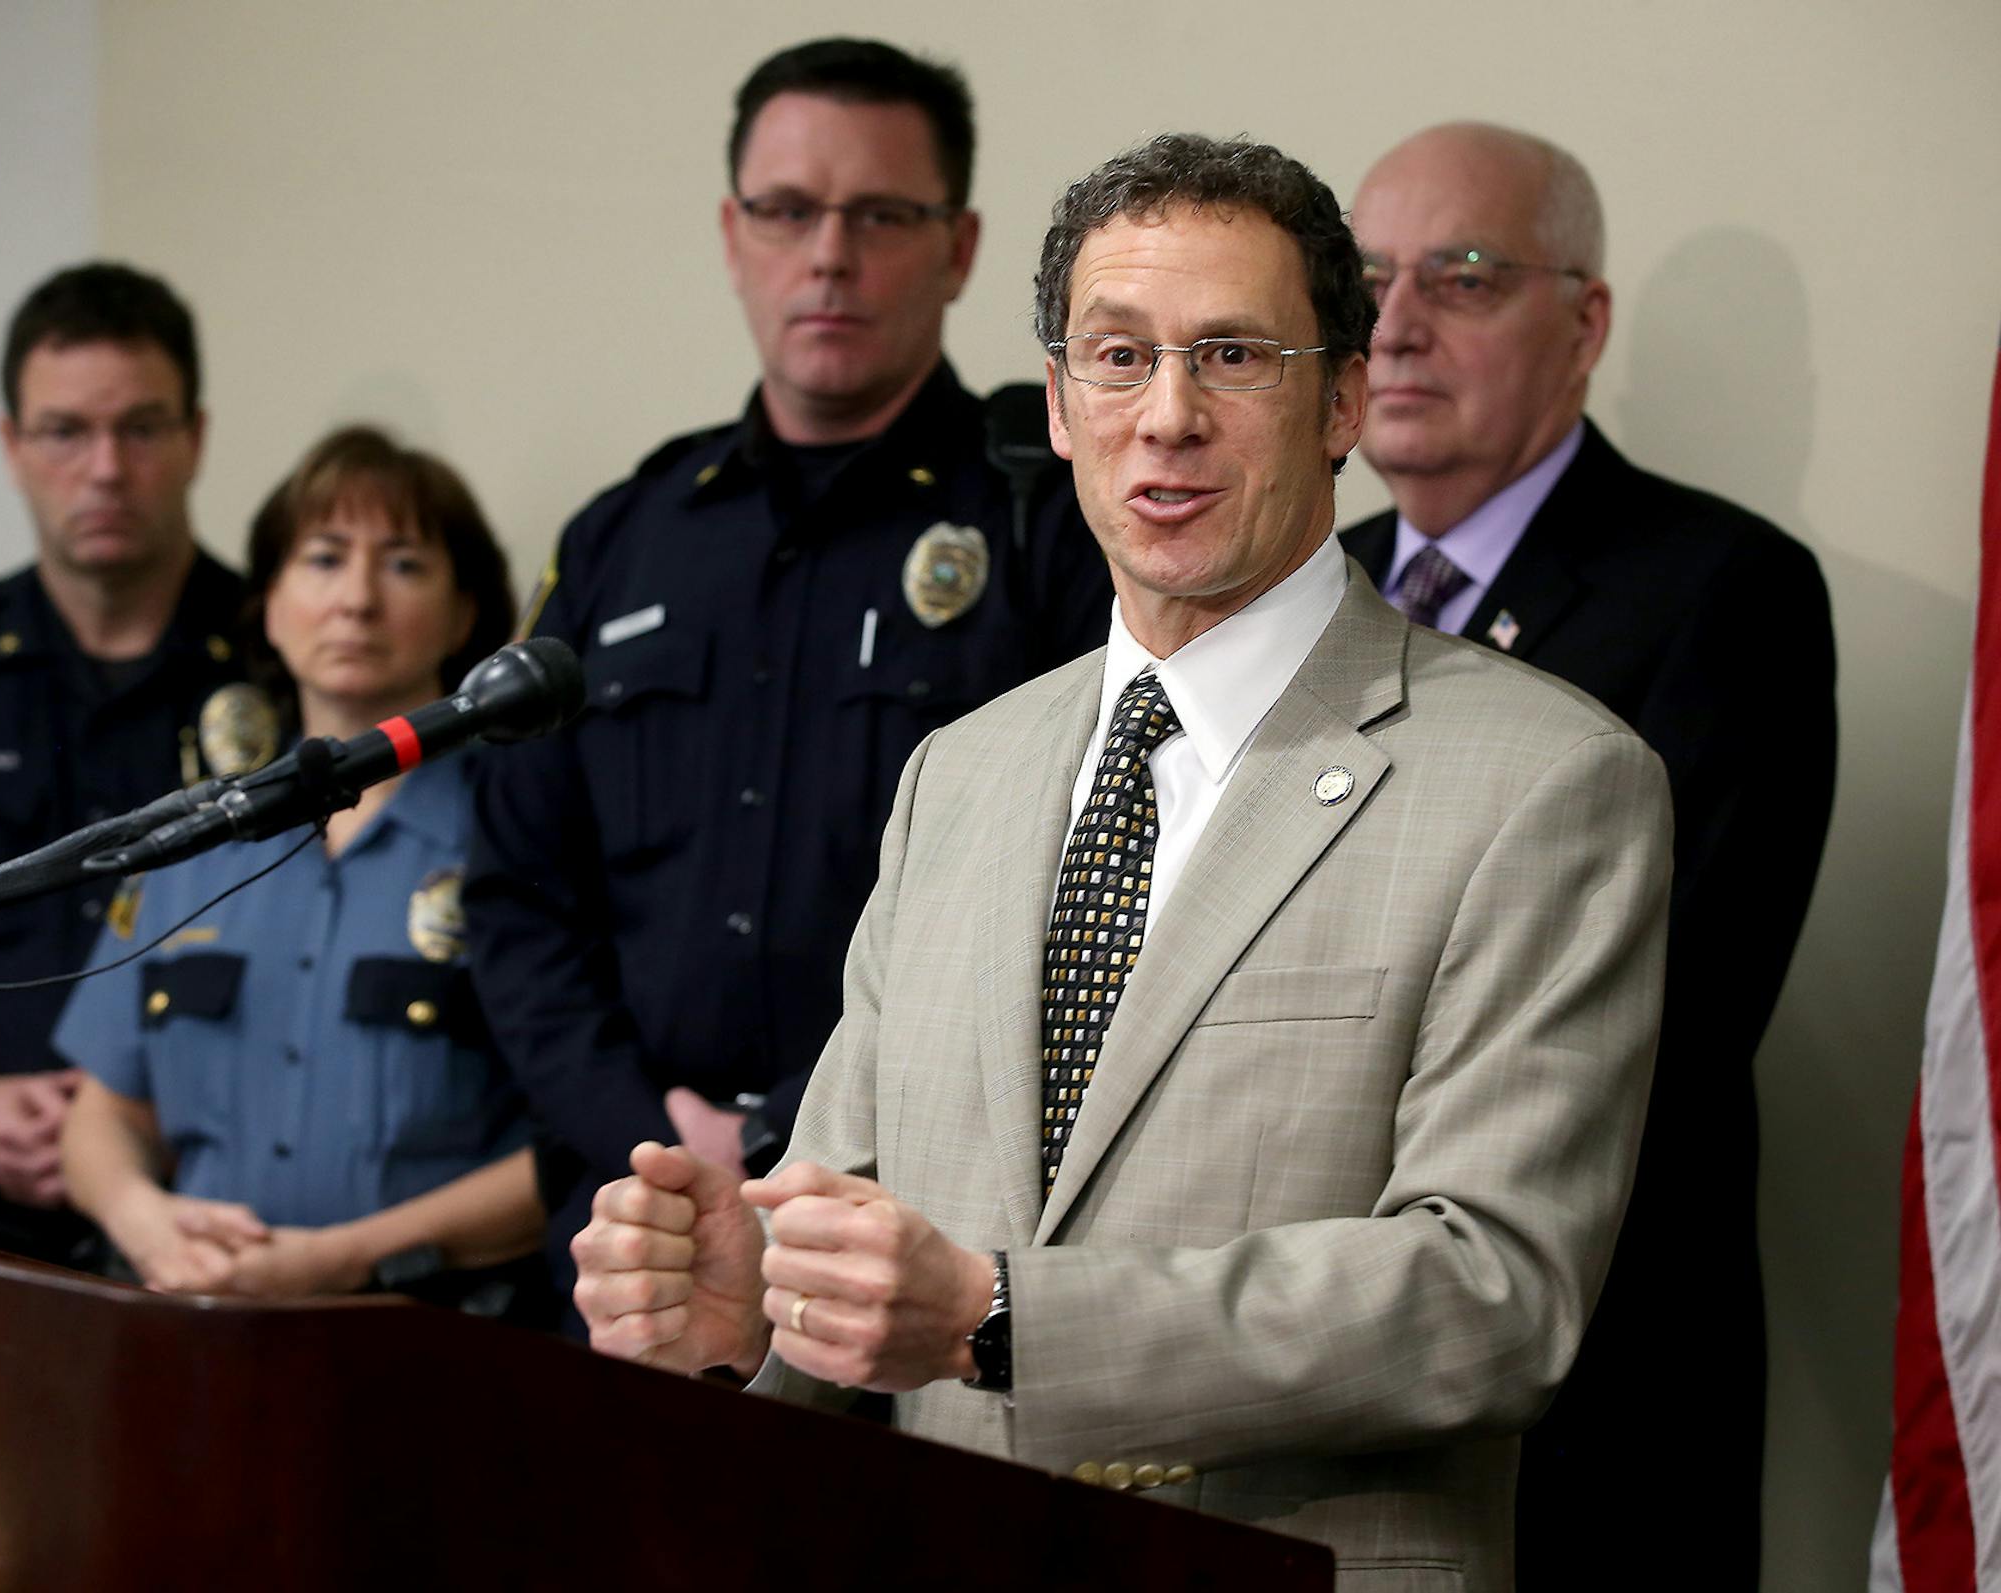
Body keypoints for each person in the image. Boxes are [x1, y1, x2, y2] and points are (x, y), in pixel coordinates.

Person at [572, 133, 1673, 1583]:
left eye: (1231, 355)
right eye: (1118, 356)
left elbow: (1490, 1295)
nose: (1167, 417)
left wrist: (1004, 1318)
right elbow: (846, 1221)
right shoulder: (957, 776)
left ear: (1341, 397)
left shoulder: (1545, 782)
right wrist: (749, 1315)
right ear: (1058, 399)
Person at [466, 37, 1113, 1326]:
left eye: (880, 214)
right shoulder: (626, 536)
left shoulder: (1048, 519)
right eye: (788, 212)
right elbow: (519, 895)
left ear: (961, 246)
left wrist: (854, 1144)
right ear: (732, 232)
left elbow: (1100, 894)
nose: (829, 253)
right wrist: (648, 1131)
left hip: (914, 1254)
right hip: (631, 1234)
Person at [1338, 122, 1837, 1585]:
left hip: (1583, 1388)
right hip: (1301, 1365)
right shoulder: (1303, 590)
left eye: (1466, 276)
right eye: (1366, 279)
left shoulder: (1720, 591)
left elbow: (1673, 1014)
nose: (1398, 326)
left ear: (1584, 321)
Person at [53, 426, 547, 1316]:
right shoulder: (190, 841)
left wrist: (347, 1258)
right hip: (190, 1323)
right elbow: (105, 1112)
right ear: (270, 603)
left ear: (465, 609)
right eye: (323, 560)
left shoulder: (521, 836)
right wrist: (144, 1220)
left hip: (436, 1338)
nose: (356, 600)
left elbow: (573, 1143)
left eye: (402, 565)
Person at [0, 262, 255, 1267]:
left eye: (142, 428)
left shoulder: (281, 661)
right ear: (12, 446)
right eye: (66, 431)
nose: (105, 468)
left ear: (196, 436)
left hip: (225, 1233)